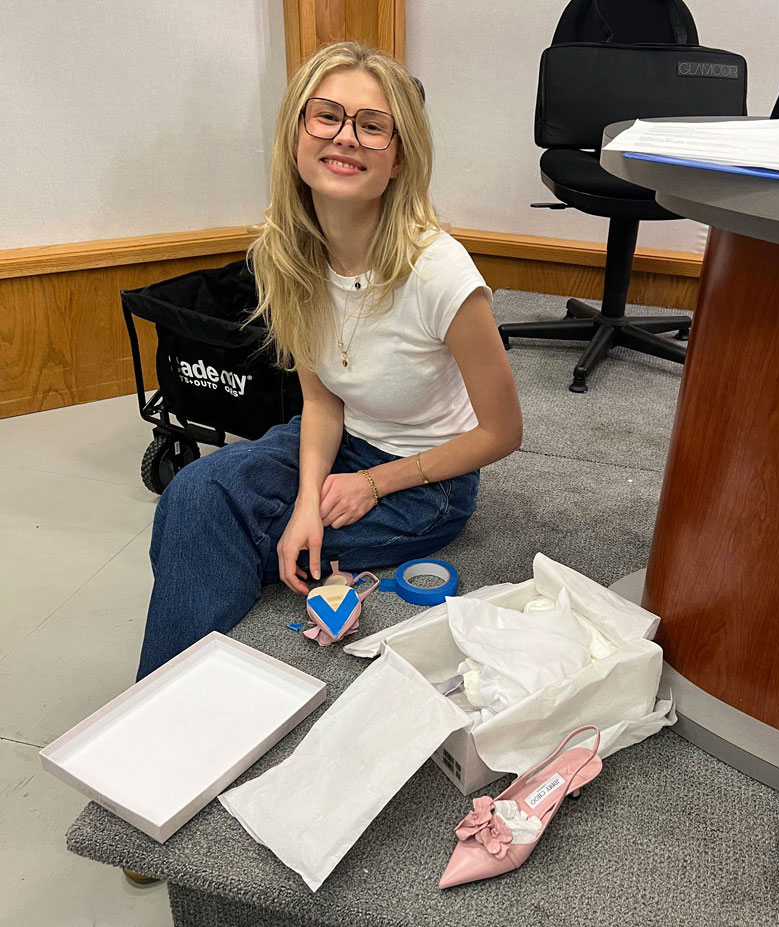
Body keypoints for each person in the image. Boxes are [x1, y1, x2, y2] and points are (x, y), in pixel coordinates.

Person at [135, 42, 522, 678]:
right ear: (297, 133)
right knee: (193, 497)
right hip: (339, 441)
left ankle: (168, 716)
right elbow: (321, 401)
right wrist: (311, 502)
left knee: (231, 542)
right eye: (326, 116)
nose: (346, 138)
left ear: (399, 158)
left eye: (372, 126)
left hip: (427, 482)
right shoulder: (285, 254)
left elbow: (503, 433)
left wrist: (374, 483)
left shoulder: (440, 272)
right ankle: (157, 710)